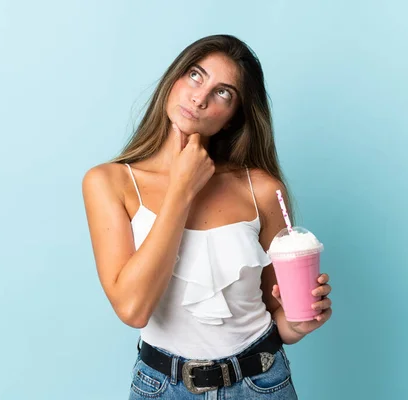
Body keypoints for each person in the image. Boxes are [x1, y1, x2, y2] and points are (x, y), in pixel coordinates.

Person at [82, 34, 333, 399]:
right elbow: (133, 309)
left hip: (261, 383)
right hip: (162, 387)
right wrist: (182, 190)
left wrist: (300, 323)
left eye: (223, 93)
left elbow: (278, 313)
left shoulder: (262, 190)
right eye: (195, 75)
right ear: (174, 80)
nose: (200, 97)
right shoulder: (110, 182)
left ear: (233, 118)